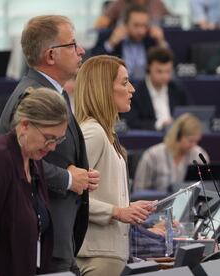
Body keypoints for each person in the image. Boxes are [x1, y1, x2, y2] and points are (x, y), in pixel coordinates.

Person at [0, 15, 99, 275]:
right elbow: (15, 160)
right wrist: (67, 179)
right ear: (51, 55)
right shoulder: (31, 96)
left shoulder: (55, 93)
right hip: (45, 242)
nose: (81, 50)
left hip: (60, 239)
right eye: (73, 44)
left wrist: (81, 176)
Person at [0, 87, 69, 275]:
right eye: (48, 138)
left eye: (58, 140)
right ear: (25, 124)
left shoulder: (34, 162)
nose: (52, 147)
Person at [74, 55, 155, 276]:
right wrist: (118, 211)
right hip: (97, 254)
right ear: (103, 88)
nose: (132, 90)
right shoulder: (93, 132)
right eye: (124, 82)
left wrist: (129, 207)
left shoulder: (105, 133)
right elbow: (70, 194)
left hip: (108, 253)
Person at [134, 113, 210, 191]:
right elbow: (140, 190)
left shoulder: (199, 155)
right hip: (158, 201)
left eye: (196, 141)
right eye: (190, 141)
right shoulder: (152, 155)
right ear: (177, 135)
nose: (193, 145)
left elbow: (206, 188)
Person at [91, 4, 169, 80]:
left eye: (144, 26)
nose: (141, 31)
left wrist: (161, 42)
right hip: (118, 85)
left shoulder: (151, 39)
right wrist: (111, 43)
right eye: (136, 25)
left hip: (144, 86)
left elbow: (168, 62)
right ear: (125, 24)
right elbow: (93, 62)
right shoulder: (110, 36)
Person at [121, 46, 189, 131]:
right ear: (148, 67)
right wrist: (159, 125)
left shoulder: (177, 89)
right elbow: (131, 121)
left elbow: (189, 114)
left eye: (168, 71)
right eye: (159, 71)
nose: (164, 76)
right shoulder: (136, 92)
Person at [94, 0, 170, 29]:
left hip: (152, 47)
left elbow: (174, 23)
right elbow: (98, 26)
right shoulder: (118, 4)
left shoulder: (158, 4)